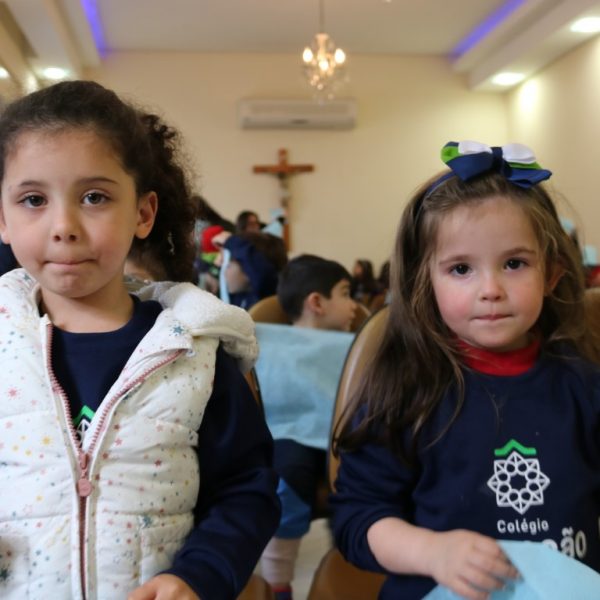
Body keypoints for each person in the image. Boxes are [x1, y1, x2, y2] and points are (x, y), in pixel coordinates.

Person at [0, 80, 280, 600]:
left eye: (94, 197)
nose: (64, 226)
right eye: (33, 199)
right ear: (2, 218)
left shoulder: (194, 350)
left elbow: (247, 489)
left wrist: (197, 576)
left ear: (143, 214)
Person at [331, 141, 600, 599]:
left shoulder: (585, 386)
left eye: (514, 263)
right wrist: (432, 552)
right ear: (426, 281)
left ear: (552, 274)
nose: (490, 289)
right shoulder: (406, 391)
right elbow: (357, 518)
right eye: (460, 269)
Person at [260, 254, 357, 600]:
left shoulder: (359, 344)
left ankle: (351, 567)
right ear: (316, 302)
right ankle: (278, 582)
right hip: (287, 436)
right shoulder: (264, 340)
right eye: (345, 293)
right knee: (286, 478)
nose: (354, 306)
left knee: (360, 479)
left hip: (345, 437)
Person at [213, 230, 288, 309]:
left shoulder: (264, 291)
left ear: (247, 268)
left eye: (228, 265)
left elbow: (261, 272)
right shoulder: (240, 297)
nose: (224, 272)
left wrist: (230, 241)